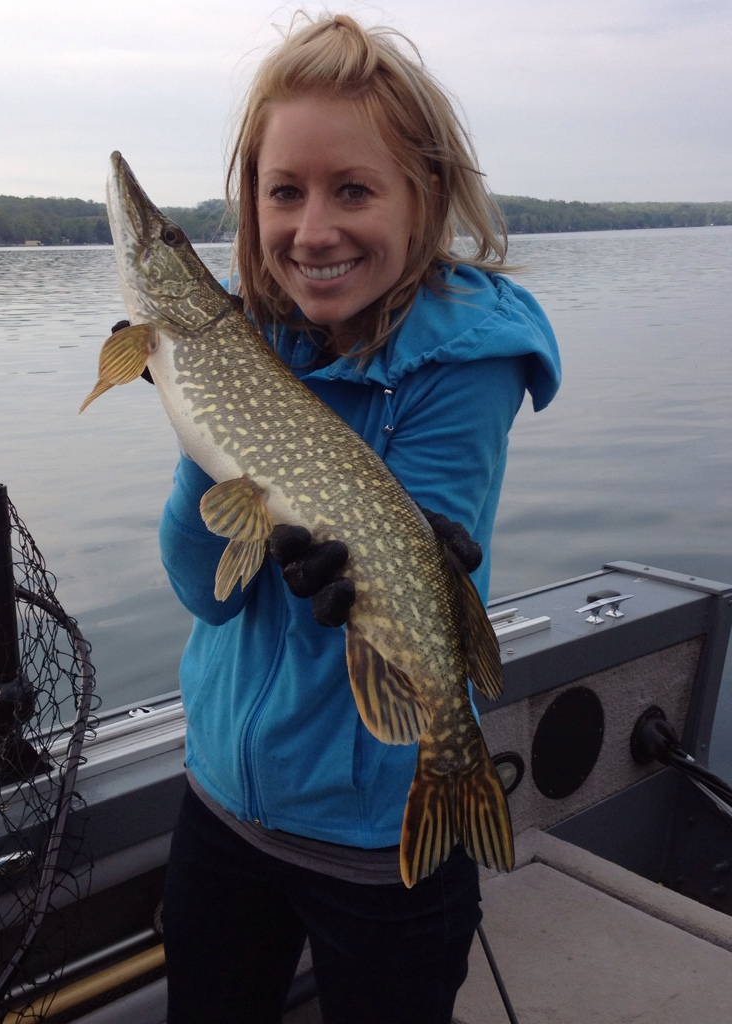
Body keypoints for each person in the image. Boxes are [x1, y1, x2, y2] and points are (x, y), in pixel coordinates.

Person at [157, 12, 561, 1024]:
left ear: (423, 198)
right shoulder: (240, 344)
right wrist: (208, 454)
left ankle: (453, 791)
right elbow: (198, 594)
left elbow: (429, 564)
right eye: (284, 191)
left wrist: (375, 568)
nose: (314, 229)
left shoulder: (468, 364)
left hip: (383, 834)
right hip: (224, 803)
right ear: (249, 206)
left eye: (353, 190)